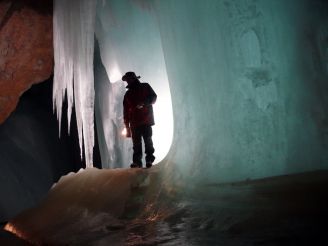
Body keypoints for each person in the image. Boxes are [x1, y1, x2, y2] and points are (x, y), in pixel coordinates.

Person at [122, 71, 157, 168]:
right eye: (127, 80)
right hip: (134, 124)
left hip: (146, 121)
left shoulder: (145, 87)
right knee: (136, 145)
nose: (128, 82)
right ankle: (137, 162)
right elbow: (126, 111)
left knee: (148, 141)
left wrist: (144, 103)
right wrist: (127, 127)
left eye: (129, 79)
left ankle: (149, 160)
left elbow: (154, 97)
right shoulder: (128, 94)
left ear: (134, 78)